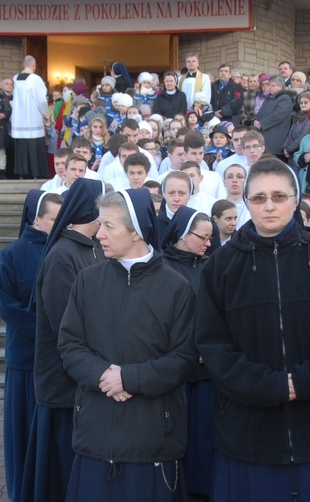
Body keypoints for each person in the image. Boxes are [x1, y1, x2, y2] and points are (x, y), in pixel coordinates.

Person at [195, 157, 310, 500]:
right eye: (258, 198)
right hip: (248, 435)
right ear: (246, 202)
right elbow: (214, 346)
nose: (269, 206)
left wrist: (301, 383)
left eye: (279, 196)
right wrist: (270, 387)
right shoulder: (221, 266)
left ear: (295, 199)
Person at [57, 188, 196, 501]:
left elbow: (184, 357)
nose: (99, 234)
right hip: (95, 430)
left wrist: (129, 378)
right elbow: (69, 344)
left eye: (109, 226)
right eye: (100, 224)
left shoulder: (176, 287)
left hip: (152, 436)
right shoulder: (87, 280)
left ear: (135, 232)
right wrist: (105, 375)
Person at [27, 178, 106, 502]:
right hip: (63, 380)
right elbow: (65, 322)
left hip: (83, 376)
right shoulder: (63, 254)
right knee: (60, 468)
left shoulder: (91, 248)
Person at [0, 189, 62, 502]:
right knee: (23, 432)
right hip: (26, 360)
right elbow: (8, 308)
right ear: (37, 218)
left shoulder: (62, 250)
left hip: (60, 359)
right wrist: (51, 334)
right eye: (55, 218)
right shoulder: (10, 255)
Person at [160, 205, 213, 499]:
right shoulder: (162, 266)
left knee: (203, 437)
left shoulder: (209, 264)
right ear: (182, 234)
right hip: (176, 369)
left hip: (206, 370)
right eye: (202, 237)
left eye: (209, 238)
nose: (208, 244)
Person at [11, 56, 49, 179]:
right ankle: (35, 173)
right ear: (34, 65)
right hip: (32, 118)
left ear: (23, 65)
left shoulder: (15, 78)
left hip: (18, 120)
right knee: (34, 146)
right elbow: (41, 100)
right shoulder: (35, 79)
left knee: (21, 147)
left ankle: (22, 174)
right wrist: (45, 113)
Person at [253, 75, 295, 157]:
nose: (270, 87)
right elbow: (259, 113)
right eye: (269, 85)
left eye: (273, 85)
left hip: (276, 139)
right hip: (265, 138)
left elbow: (278, 115)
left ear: (280, 86)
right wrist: (255, 121)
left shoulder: (284, 98)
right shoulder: (269, 98)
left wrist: (262, 124)